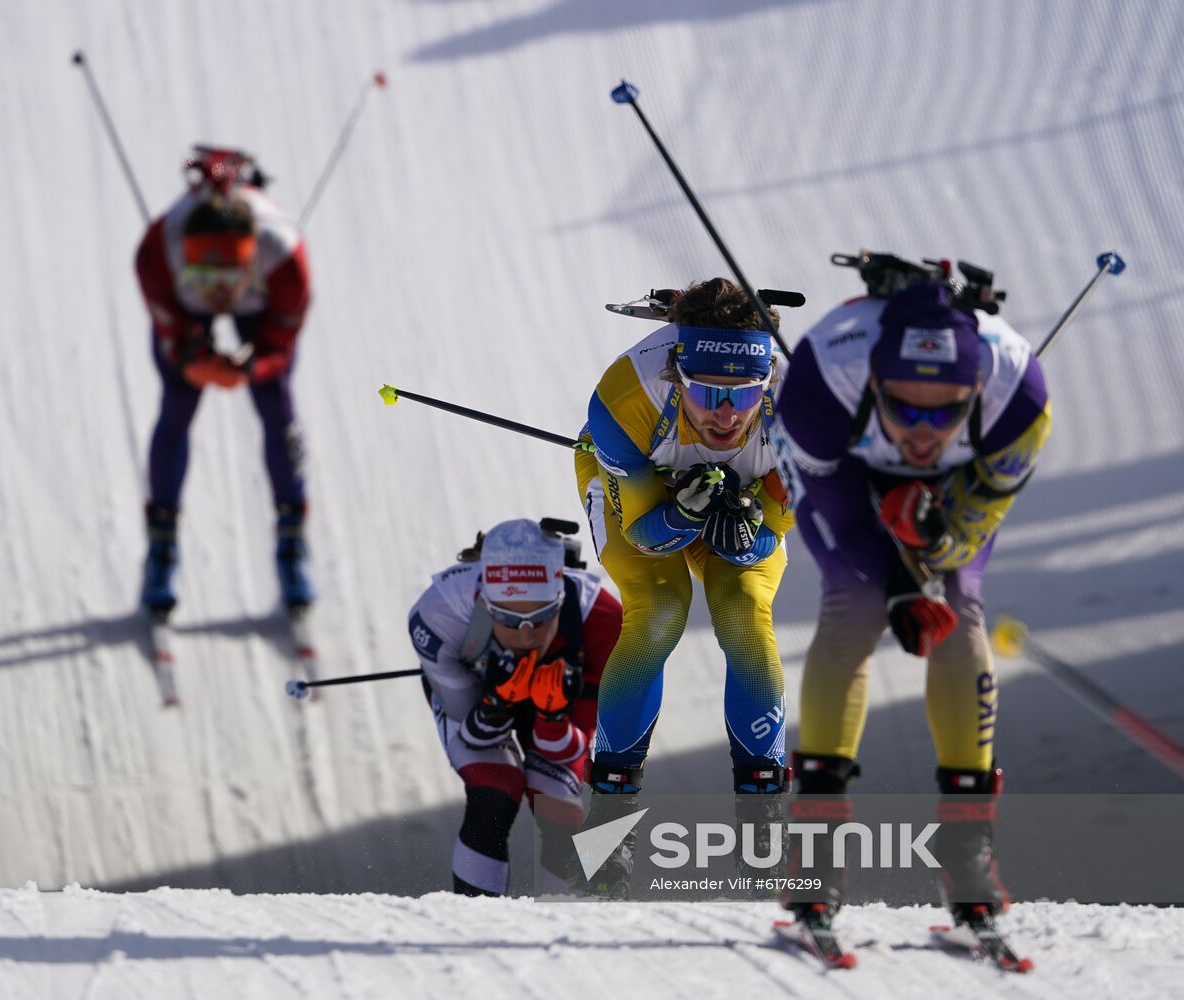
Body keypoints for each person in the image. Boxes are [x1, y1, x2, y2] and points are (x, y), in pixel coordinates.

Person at [771, 275, 1051, 929]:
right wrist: (896, 579)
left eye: (945, 411)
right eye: (903, 407)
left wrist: (933, 541)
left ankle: (966, 845)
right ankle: (815, 848)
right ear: (873, 383)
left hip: (952, 491)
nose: (922, 431)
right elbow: (839, 522)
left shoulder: (1021, 399)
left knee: (959, 613)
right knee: (852, 605)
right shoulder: (819, 381)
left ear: (976, 390)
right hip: (847, 471)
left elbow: (971, 531)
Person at [573, 277, 796, 895]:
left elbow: (774, 530)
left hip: (733, 495)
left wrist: (744, 531)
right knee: (659, 609)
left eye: (746, 393)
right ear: (676, 376)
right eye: (706, 392)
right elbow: (644, 535)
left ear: (768, 379)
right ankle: (608, 830)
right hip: (639, 485)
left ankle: (764, 832)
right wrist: (687, 513)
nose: (726, 415)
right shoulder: (627, 399)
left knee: (743, 608)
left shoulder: (806, 409)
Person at [135, 147, 314, 618]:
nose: (216, 293)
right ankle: (161, 548)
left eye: (226, 279)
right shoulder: (156, 255)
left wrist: (250, 368)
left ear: (252, 260)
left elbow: (278, 349)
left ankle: (293, 544)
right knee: (178, 402)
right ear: (185, 263)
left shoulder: (286, 261)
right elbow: (173, 338)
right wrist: (191, 357)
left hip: (251, 297)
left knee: (276, 405)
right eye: (204, 276)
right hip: (197, 296)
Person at [407, 518, 622, 896]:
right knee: (494, 790)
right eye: (507, 619)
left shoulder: (604, 620)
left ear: (562, 597)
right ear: (483, 602)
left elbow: (577, 744)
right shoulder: (438, 612)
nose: (525, 635)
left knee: (558, 804)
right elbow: (469, 728)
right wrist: (496, 703)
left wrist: (553, 720)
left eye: (541, 618)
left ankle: (573, 927)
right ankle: (473, 922)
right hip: (475, 696)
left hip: (538, 705)